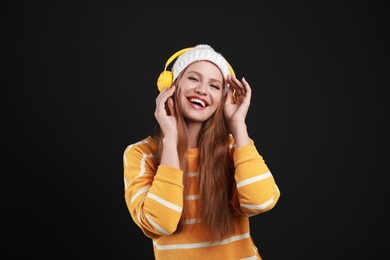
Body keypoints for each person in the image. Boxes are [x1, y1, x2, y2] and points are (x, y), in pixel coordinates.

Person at [123, 44, 280, 259]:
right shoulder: (140, 154)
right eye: (194, 79)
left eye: (215, 86)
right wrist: (170, 139)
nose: (202, 90)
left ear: (225, 98)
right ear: (170, 86)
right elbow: (160, 223)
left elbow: (261, 201)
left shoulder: (236, 147)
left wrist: (237, 124)